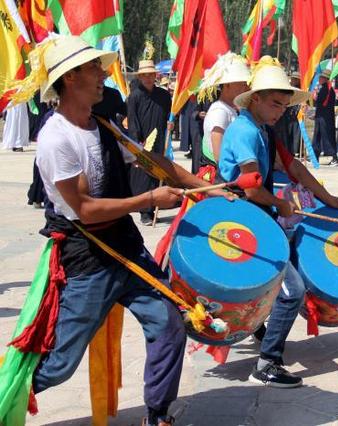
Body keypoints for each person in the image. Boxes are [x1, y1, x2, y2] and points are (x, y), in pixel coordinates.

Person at [9, 35, 232, 426]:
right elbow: (85, 209)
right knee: (59, 363)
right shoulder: (55, 137)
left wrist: (205, 188)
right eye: (94, 68)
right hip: (88, 257)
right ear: (71, 77)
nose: (102, 74)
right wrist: (148, 201)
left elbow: (153, 160)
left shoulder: (103, 126)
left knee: (169, 324)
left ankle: (158, 415)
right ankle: (8, 397)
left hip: (126, 248)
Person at [218, 56, 338, 388]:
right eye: (275, 104)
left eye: (284, 106)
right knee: (292, 290)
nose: (279, 111)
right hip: (244, 217)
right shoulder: (245, 132)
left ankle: (263, 332)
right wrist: (280, 203)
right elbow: (250, 186)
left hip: (259, 216)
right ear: (255, 98)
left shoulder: (263, 129)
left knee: (281, 278)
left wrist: (327, 197)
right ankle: (267, 362)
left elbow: (295, 168)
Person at [127, 58, 173, 225]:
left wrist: (171, 123)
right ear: (140, 77)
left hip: (160, 139)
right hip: (143, 141)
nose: (147, 78)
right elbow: (132, 121)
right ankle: (145, 211)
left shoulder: (163, 95)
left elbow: (169, 114)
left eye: (150, 74)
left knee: (157, 174)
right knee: (143, 176)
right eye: (144, 75)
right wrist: (136, 142)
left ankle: (154, 208)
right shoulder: (134, 96)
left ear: (155, 75)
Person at [199, 52, 251, 174]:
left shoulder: (229, 109)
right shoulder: (220, 112)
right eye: (241, 84)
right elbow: (219, 156)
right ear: (227, 85)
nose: (245, 88)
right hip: (223, 176)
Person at [312, 69, 338, 165]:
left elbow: (320, 102)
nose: (319, 79)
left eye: (321, 77)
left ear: (325, 78)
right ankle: (315, 155)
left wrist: (313, 99)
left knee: (327, 137)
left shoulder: (326, 89)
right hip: (321, 116)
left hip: (324, 117)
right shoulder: (326, 88)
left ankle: (334, 157)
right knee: (317, 137)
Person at [274, 71, 303, 156]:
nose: (292, 80)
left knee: (294, 133)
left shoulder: (298, 90)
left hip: (294, 114)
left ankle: (293, 150)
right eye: (292, 78)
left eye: (294, 79)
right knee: (285, 133)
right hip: (286, 114)